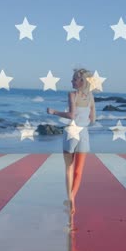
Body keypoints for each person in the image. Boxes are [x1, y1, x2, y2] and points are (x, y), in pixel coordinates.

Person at [46, 68, 96, 216]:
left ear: (81, 81)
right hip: (84, 133)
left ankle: (70, 198)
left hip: (71, 132)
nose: (71, 81)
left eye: (74, 79)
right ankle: (72, 198)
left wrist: (54, 112)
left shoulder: (72, 94)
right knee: (78, 171)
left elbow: (71, 115)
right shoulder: (91, 97)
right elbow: (93, 119)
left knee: (68, 168)